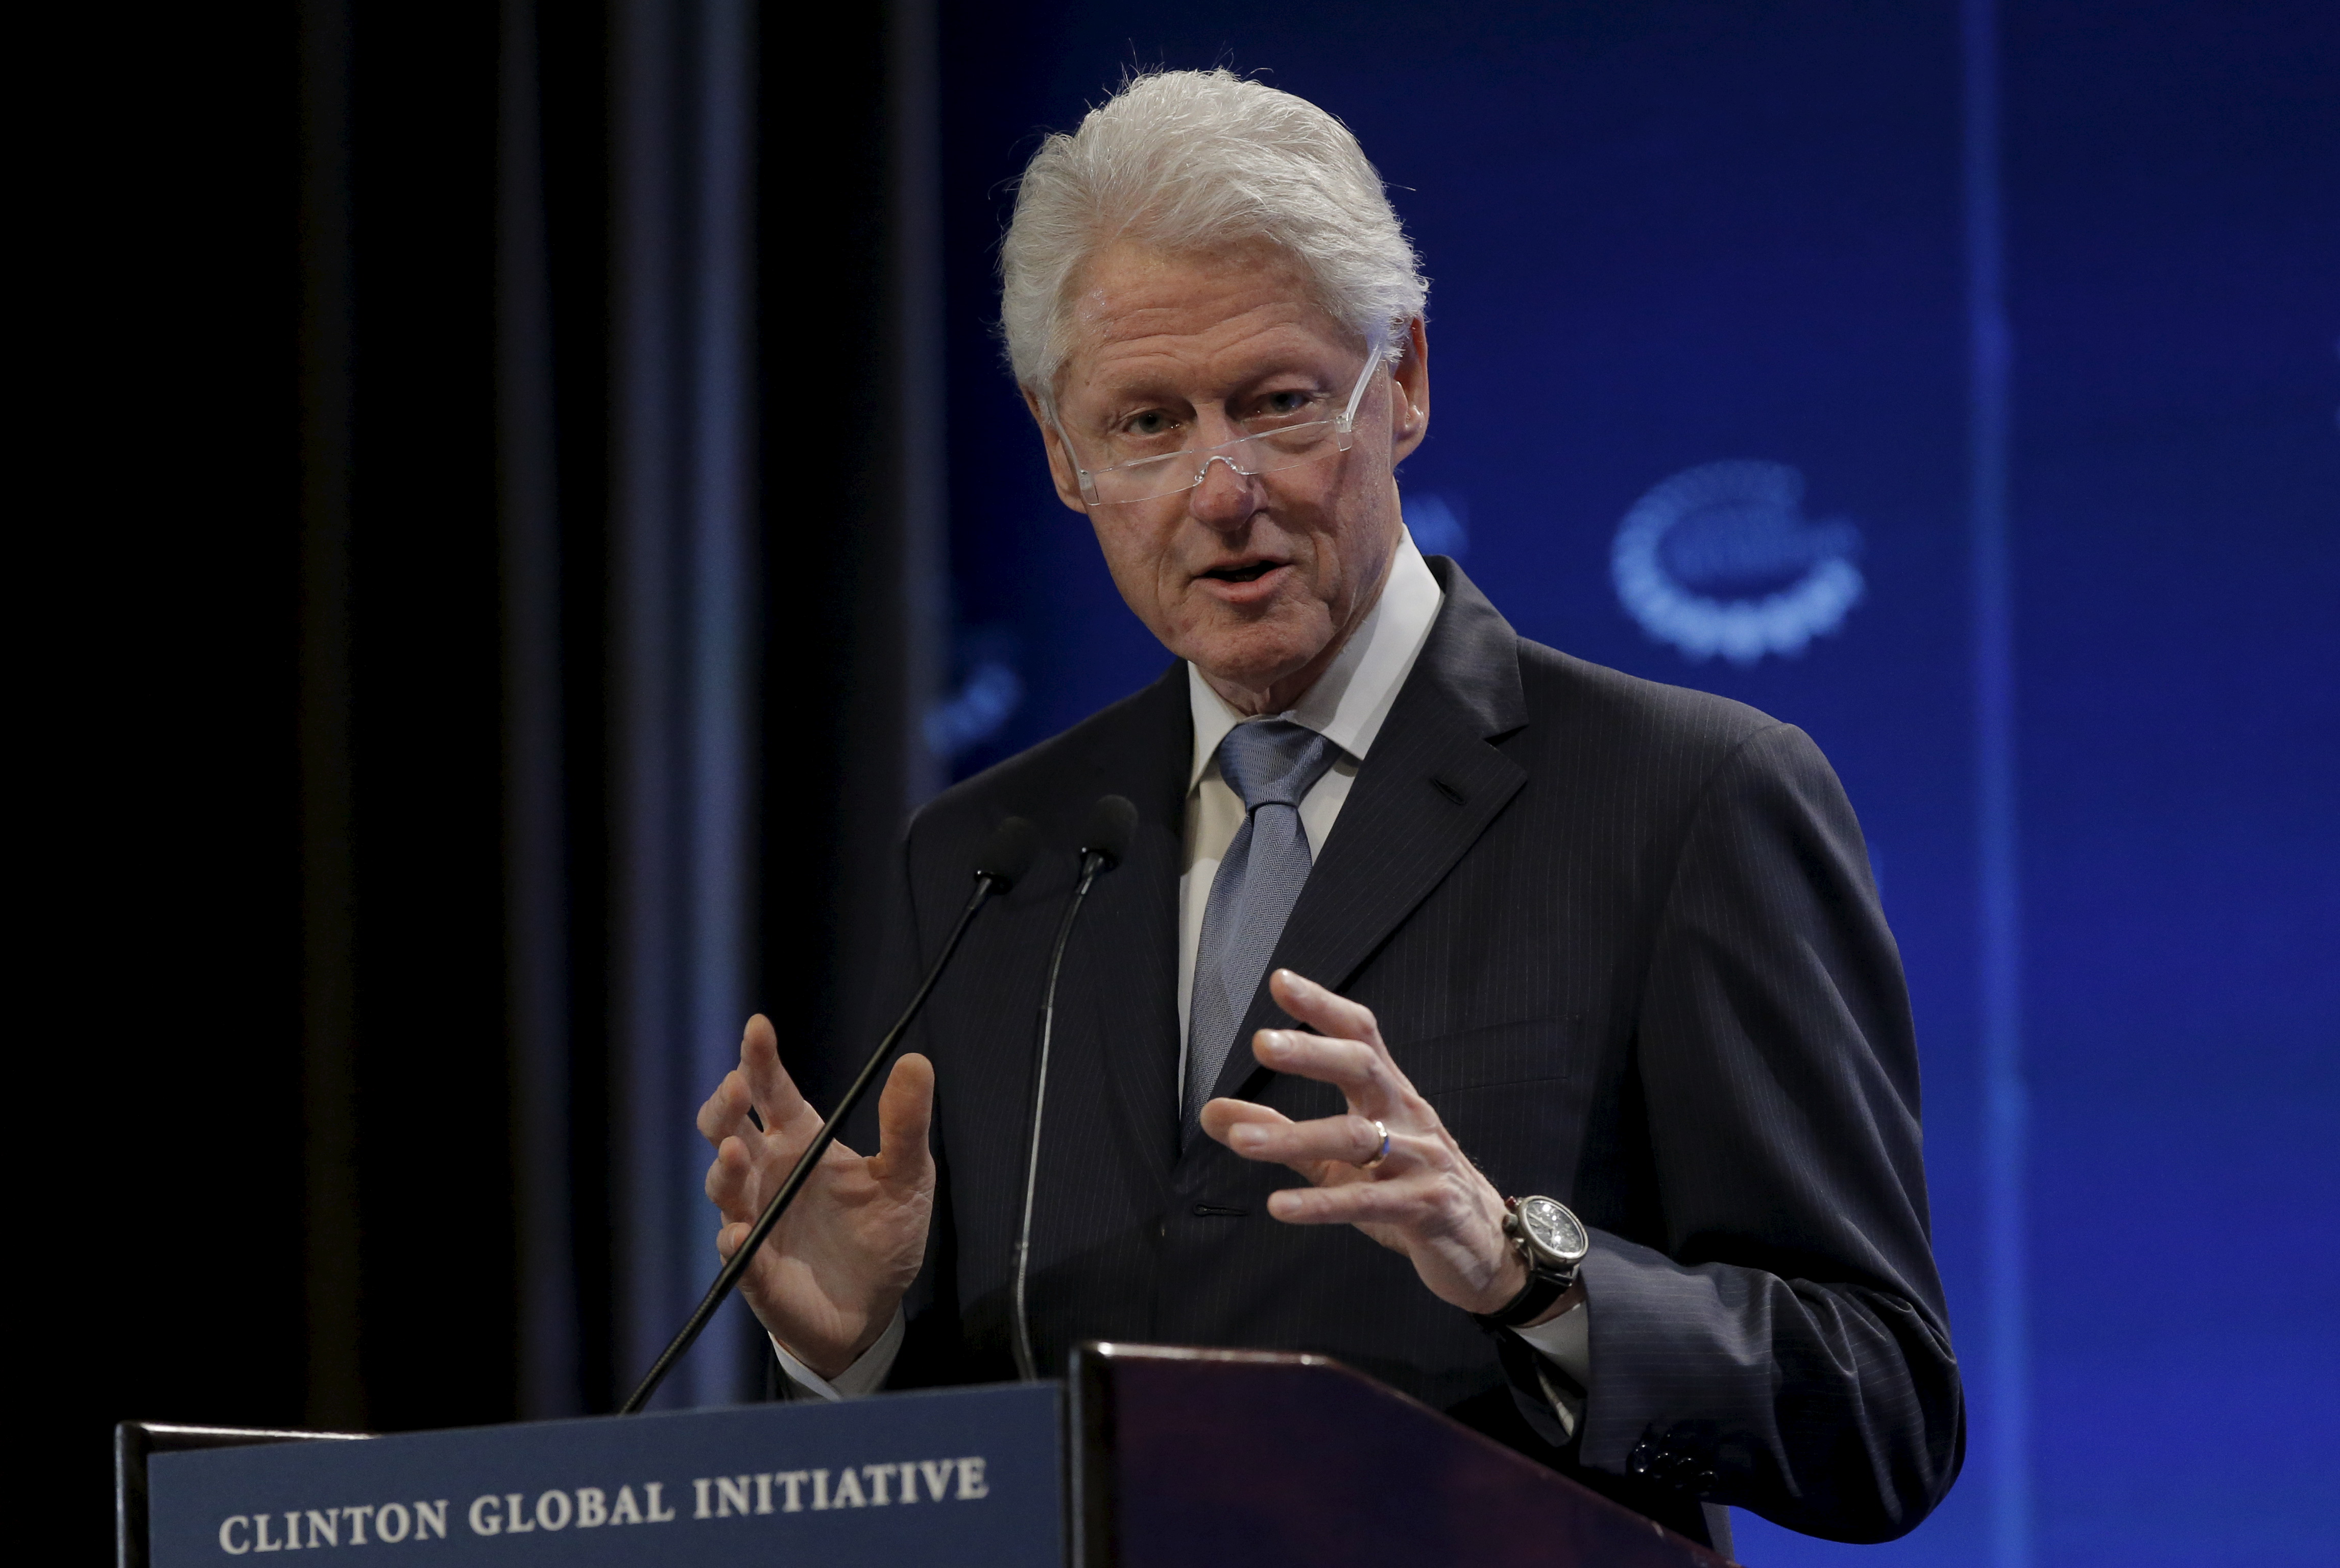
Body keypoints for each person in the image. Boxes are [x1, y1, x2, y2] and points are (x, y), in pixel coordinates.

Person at [694, 69, 1961, 1550]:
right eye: (1147, 425)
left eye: (1281, 403)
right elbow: (970, 1472)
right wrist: (852, 1351)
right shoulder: (993, 861)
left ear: (1405, 379)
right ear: (1060, 452)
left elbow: (1883, 1411)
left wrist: (1522, 1268)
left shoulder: (1685, 801)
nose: (1220, 492)